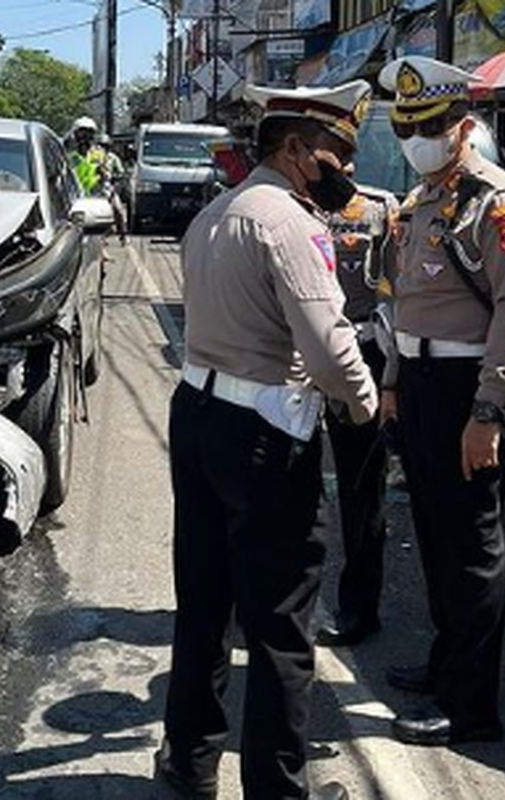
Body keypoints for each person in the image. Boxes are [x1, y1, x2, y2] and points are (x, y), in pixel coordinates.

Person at [157, 80, 378, 800]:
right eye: (334, 152)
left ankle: (188, 768)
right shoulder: (288, 223)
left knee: (204, 606)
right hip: (263, 436)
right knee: (281, 628)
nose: (341, 166)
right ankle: (280, 792)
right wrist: (367, 405)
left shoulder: (215, 214)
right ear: (293, 149)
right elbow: (327, 348)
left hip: (198, 414)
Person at [377, 56, 505, 747]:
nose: (420, 138)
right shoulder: (419, 202)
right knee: (438, 539)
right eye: (409, 127)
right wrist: (389, 380)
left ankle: (472, 708)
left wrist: (488, 411)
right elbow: (405, 304)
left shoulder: (497, 202)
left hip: (466, 390)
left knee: (472, 546)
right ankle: (447, 666)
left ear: (463, 126)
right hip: (417, 386)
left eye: (434, 126)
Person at [315, 180, 399, 648]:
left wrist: (392, 376)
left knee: (360, 490)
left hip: (364, 351)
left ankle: (358, 608)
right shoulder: (290, 207)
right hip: (299, 355)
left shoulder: (380, 208)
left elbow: (398, 289)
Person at [96, 132, 129, 244]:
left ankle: (123, 234)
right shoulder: (93, 157)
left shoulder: (113, 158)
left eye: (105, 146)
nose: (102, 148)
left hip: (109, 188)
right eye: (101, 145)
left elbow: (121, 173)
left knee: (118, 210)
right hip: (94, 188)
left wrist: (113, 178)